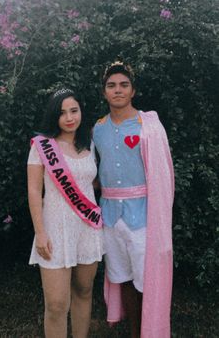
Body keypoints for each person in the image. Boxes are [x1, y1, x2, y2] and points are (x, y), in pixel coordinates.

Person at [93, 62, 174, 338]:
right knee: (121, 276)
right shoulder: (97, 129)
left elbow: (162, 172)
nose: (118, 90)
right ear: (104, 92)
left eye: (123, 85)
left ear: (133, 90)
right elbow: (94, 171)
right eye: (112, 85)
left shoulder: (148, 125)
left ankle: (149, 331)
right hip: (110, 216)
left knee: (145, 278)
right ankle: (134, 331)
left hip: (143, 214)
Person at [27, 88, 104, 338]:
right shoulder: (42, 146)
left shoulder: (89, 145)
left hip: (87, 228)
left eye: (74, 110)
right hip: (54, 229)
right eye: (62, 113)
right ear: (54, 116)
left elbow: (92, 183)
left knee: (83, 291)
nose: (69, 117)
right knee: (57, 304)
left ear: (81, 111)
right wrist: (40, 232)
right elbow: (33, 190)